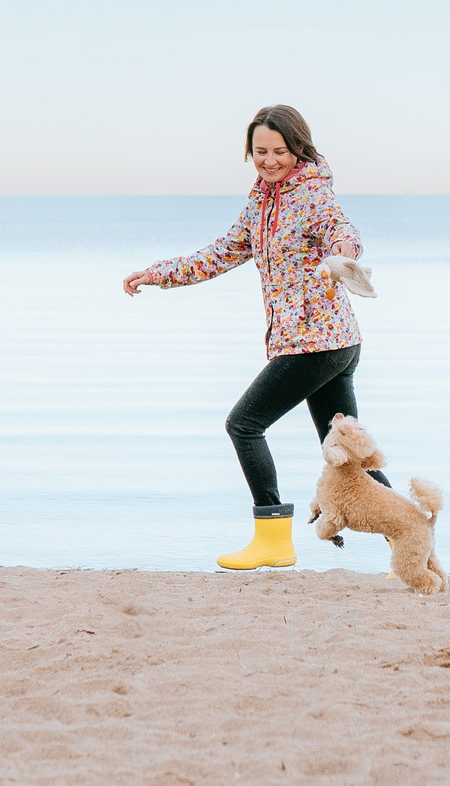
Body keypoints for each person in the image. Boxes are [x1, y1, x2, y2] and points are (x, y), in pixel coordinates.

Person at [121, 103, 389, 570]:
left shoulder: (312, 193)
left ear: (298, 148)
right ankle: (408, 537)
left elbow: (340, 228)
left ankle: (272, 539)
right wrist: (158, 274)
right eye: (260, 151)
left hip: (317, 343)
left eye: (280, 151)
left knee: (244, 425)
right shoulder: (262, 202)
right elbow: (222, 252)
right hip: (332, 342)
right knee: (347, 453)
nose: (269, 161)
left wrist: (345, 250)